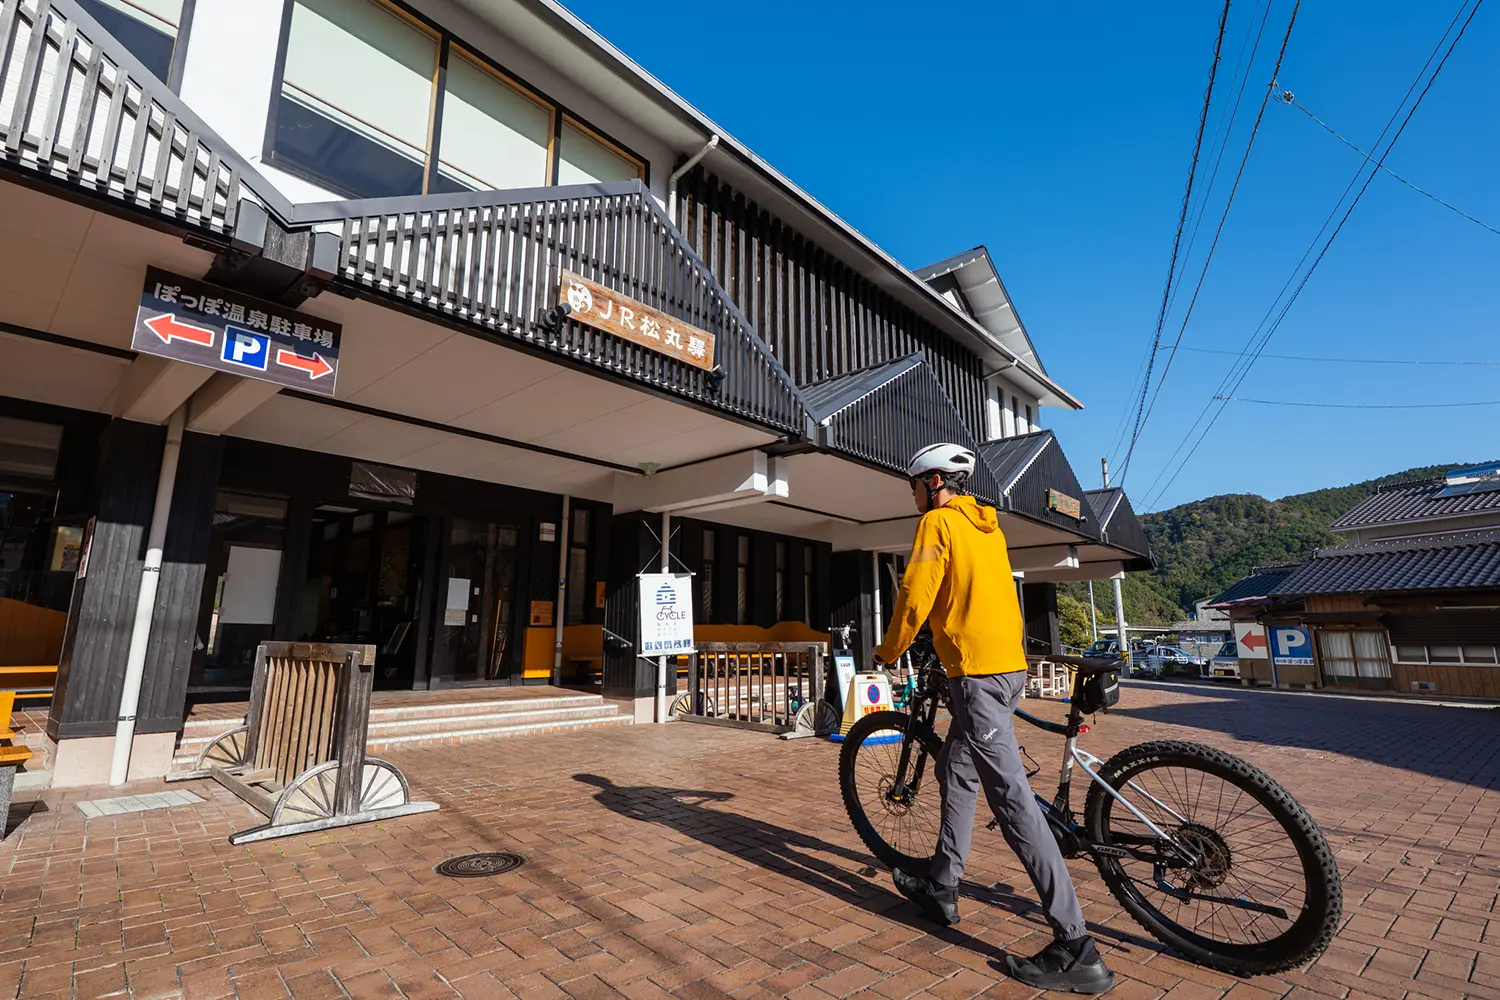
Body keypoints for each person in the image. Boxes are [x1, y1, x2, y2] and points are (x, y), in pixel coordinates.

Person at [873, 443, 1114, 995]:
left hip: (977, 677)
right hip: (1008, 668)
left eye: (914, 484)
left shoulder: (937, 523)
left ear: (934, 482)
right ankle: (942, 883)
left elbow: (915, 594)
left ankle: (1077, 946)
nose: (912, 494)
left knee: (1013, 804)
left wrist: (889, 650)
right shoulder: (988, 528)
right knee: (954, 769)